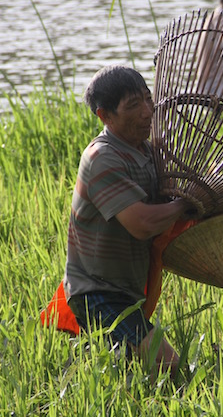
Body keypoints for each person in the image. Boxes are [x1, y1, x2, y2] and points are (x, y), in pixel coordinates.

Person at [64, 66, 192, 378]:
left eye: (148, 101)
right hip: (97, 291)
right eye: (134, 105)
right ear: (104, 115)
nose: (148, 112)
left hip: (130, 289)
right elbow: (142, 223)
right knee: (171, 367)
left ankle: (81, 372)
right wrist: (186, 204)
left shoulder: (147, 152)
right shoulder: (102, 158)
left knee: (127, 370)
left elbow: (178, 192)